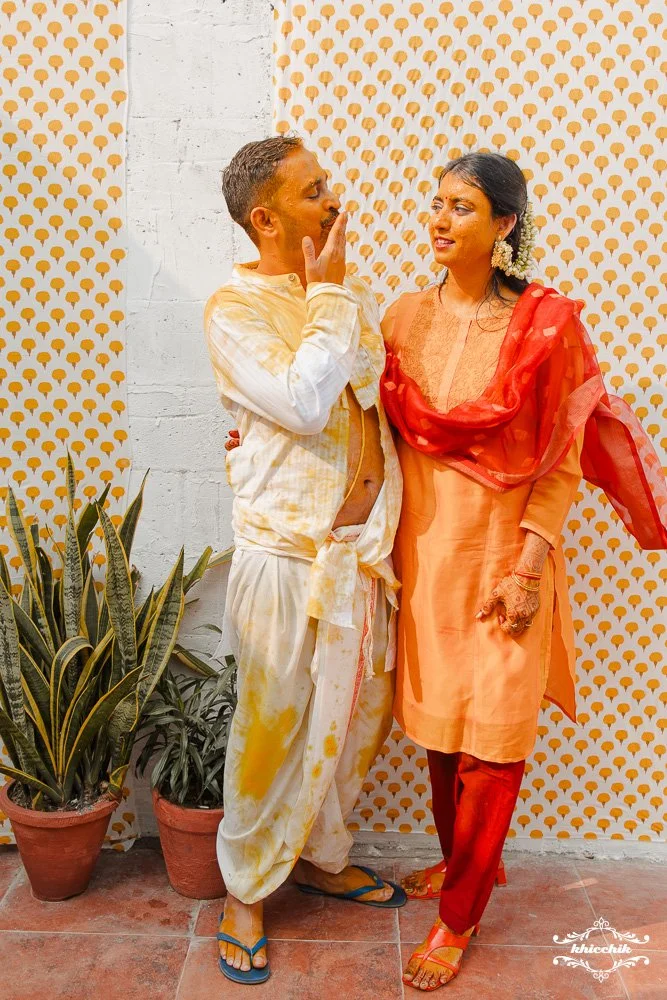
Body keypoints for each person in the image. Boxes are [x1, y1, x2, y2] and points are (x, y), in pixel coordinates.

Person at [379, 151, 667, 991]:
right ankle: (465, 863)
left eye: (461, 207)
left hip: (506, 555)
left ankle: (457, 915)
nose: (439, 220)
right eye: (436, 203)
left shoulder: (546, 324)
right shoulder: (400, 316)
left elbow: (563, 457)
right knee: (441, 728)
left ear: (504, 224)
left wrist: (530, 564)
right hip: (426, 553)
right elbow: (374, 430)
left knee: (493, 740)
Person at [203, 135, 405, 985]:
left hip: (361, 557)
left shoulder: (344, 297)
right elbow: (303, 401)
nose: (334, 199)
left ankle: (321, 857)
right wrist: (329, 296)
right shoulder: (234, 310)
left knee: (356, 723)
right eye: (314, 189)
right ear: (267, 218)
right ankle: (244, 892)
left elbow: (376, 405)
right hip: (286, 562)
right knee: (271, 729)